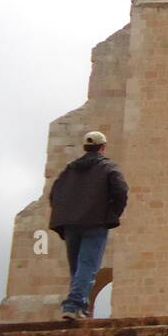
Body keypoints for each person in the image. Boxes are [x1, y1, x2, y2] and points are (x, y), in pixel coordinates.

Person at [49, 131, 128, 321]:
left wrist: (65, 215)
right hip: (95, 222)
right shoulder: (108, 167)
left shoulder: (69, 170)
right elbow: (121, 191)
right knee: (87, 266)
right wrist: (112, 214)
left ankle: (77, 306)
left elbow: (54, 194)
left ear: (85, 147)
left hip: (70, 225)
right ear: (103, 147)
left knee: (76, 268)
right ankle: (74, 305)